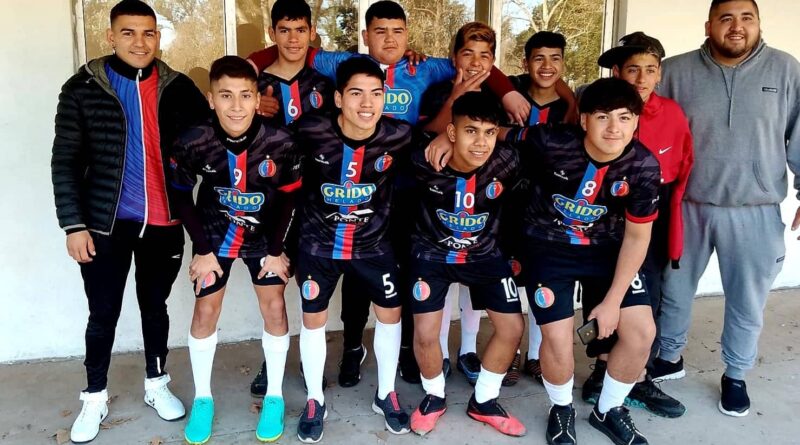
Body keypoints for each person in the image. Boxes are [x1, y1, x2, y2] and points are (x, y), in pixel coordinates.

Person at [51, 1, 208, 442]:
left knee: (155, 308)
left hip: (163, 222)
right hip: (105, 225)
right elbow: (65, 160)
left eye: (148, 33)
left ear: (158, 37)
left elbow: (212, 136)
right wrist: (73, 225)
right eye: (128, 32)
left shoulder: (178, 87)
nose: (140, 42)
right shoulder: (83, 88)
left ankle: (156, 383)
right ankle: (94, 397)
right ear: (110, 36)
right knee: (103, 312)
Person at [652, 0, 800, 417]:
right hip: (686, 205)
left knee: (747, 300)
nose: (737, 27)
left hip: (755, 207)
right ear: (709, 25)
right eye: (726, 18)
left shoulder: (786, 70)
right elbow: (646, 119)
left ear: (758, 24)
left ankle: (735, 374)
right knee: (674, 289)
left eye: (746, 18)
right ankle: (669, 356)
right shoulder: (674, 71)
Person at [507, 78, 660, 445]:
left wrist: (612, 302)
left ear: (636, 122)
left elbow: (638, 237)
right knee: (557, 338)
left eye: (625, 118)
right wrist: (445, 139)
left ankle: (608, 409)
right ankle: (561, 408)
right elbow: (499, 134)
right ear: (584, 119)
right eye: (603, 117)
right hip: (548, 246)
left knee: (641, 332)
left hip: (608, 250)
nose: (614, 128)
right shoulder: (552, 141)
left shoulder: (643, 165)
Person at [169, 56, 301, 444]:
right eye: (226, 95)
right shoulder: (193, 139)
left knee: (274, 307)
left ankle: (274, 396)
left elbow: (290, 199)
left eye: (245, 95)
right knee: (205, 310)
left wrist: (277, 250)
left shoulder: (281, 142)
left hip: (265, 239)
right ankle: (203, 399)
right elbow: (180, 195)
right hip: (215, 237)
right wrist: (202, 250)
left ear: (258, 99)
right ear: (211, 99)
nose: (236, 105)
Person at [290, 57, 420, 443]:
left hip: (373, 246)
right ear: (338, 98)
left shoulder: (400, 134)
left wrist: (446, 140)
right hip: (318, 244)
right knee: (312, 319)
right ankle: (315, 400)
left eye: (376, 94)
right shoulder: (310, 130)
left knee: (390, 316)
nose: (367, 103)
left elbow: (436, 154)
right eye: (357, 93)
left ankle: (386, 394)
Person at [579, 31, 693, 419]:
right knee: (600, 288)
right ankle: (602, 369)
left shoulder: (672, 112)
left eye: (650, 69)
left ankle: (638, 375)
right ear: (617, 71)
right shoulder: (597, 106)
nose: (642, 78)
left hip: (651, 214)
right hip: (602, 213)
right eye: (633, 69)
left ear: (660, 73)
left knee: (649, 292)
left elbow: (683, 165)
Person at [407, 91, 525, 437]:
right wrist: (440, 137)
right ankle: (434, 397)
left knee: (512, 328)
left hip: (485, 255)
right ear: (452, 132)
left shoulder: (507, 161)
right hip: (430, 255)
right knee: (425, 333)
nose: (481, 142)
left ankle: (484, 400)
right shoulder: (423, 159)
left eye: (489, 132)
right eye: (471, 131)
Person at [248, 0, 334, 399]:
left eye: (301, 29)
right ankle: (273, 360)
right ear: (272, 34)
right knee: (273, 281)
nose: (293, 38)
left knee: (308, 281)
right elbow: (231, 127)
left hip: (318, 198)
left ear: (312, 33)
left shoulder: (325, 82)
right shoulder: (257, 83)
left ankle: (308, 358)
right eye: (284, 30)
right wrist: (254, 112)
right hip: (271, 199)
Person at [416, 21, 499, 387]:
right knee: (443, 280)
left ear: (493, 61)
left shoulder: (499, 95)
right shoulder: (437, 91)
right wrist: (447, 128)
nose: (476, 63)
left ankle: (467, 348)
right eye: (468, 54)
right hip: (439, 198)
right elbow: (424, 133)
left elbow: (504, 138)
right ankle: (440, 353)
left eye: (484, 56)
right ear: (454, 58)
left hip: (485, 201)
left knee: (472, 283)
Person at [504, 30, 575, 386]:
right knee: (504, 279)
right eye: (539, 58)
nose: (547, 66)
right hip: (505, 201)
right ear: (525, 62)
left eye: (555, 58)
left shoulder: (572, 107)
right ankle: (508, 351)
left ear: (563, 62)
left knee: (540, 278)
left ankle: (535, 354)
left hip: (550, 206)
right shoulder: (509, 93)